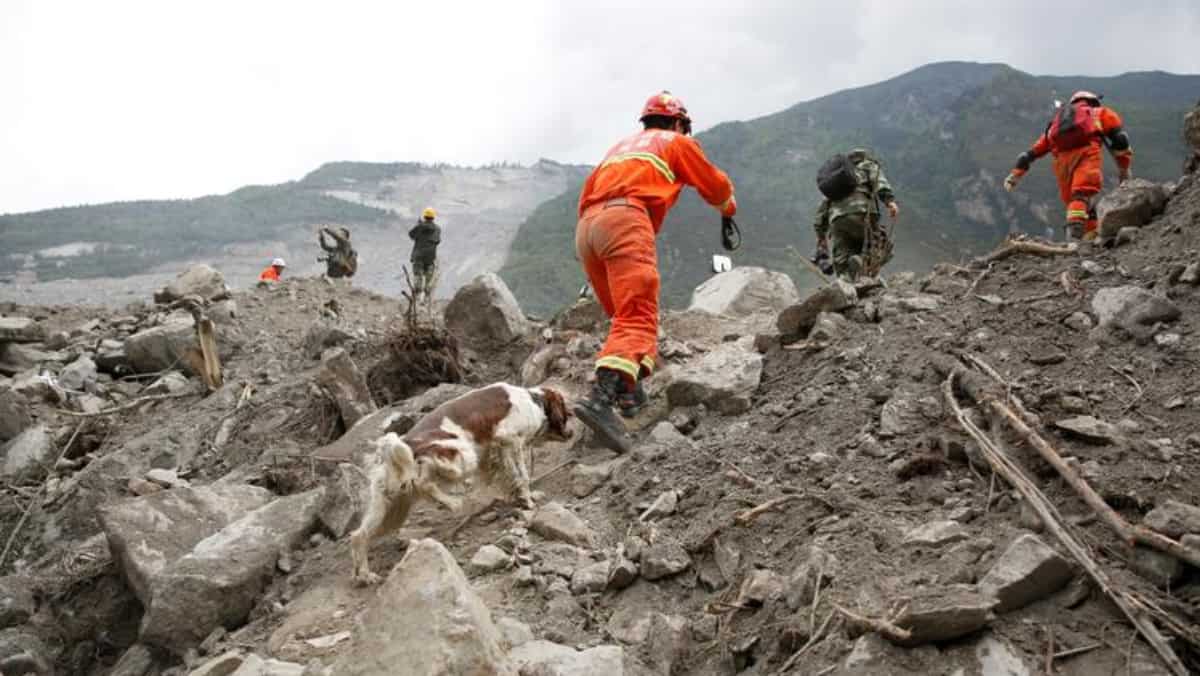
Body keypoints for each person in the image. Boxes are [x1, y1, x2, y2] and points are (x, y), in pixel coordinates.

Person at [573, 91, 737, 452]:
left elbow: (587, 194)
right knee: (637, 315)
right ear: (678, 122)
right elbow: (715, 184)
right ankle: (600, 399)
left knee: (622, 314)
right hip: (626, 219)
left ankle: (629, 393)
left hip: (587, 228)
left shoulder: (620, 147)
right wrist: (727, 207)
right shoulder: (675, 141)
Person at [1004, 91, 1133, 241]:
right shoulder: (1100, 113)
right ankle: (1077, 239)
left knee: (1077, 202)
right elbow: (1121, 140)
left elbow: (1028, 155)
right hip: (1087, 155)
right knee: (1082, 196)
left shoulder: (1056, 124)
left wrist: (1015, 175)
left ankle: (1089, 236)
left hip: (1061, 164)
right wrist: (1124, 168)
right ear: (1092, 102)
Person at [812, 148, 899, 281]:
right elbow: (880, 183)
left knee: (842, 261)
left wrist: (821, 238)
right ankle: (862, 269)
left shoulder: (837, 181)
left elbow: (821, 212)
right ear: (863, 157)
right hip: (861, 214)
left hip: (837, 221)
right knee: (878, 247)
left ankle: (846, 284)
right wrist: (890, 201)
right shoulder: (868, 165)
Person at [409, 207, 441, 303]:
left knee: (418, 276)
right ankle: (427, 300)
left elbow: (411, 235)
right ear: (433, 217)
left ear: (425, 216)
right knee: (429, 280)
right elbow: (438, 241)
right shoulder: (438, 229)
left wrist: (418, 225)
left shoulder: (420, 227)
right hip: (430, 258)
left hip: (418, 257)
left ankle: (416, 299)